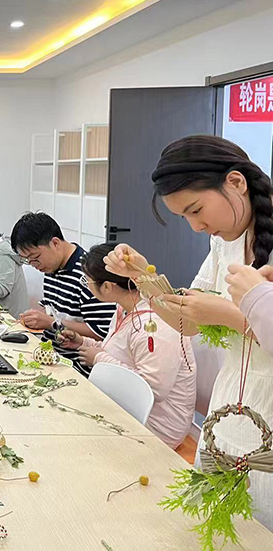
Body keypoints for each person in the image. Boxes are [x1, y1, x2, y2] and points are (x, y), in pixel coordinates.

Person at [104, 135, 273, 529]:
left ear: (236, 182)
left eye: (196, 210)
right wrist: (143, 277)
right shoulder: (224, 243)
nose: (197, 227)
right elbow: (188, 324)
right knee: (222, 522)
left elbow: (226, 319)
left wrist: (234, 316)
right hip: (232, 406)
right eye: (185, 217)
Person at [57, 243, 196, 449]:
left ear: (107, 286)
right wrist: (83, 342)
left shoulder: (155, 325)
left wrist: (99, 359)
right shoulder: (124, 308)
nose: (86, 286)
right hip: (126, 406)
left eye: (87, 281)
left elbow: (153, 390)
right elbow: (118, 351)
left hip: (156, 428)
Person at [10, 211, 116, 341]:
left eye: (35, 257)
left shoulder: (88, 274)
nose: (33, 265)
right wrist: (34, 318)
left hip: (75, 353)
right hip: (48, 348)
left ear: (55, 243)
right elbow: (51, 309)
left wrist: (52, 323)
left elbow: (102, 332)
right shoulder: (51, 268)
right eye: (27, 260)